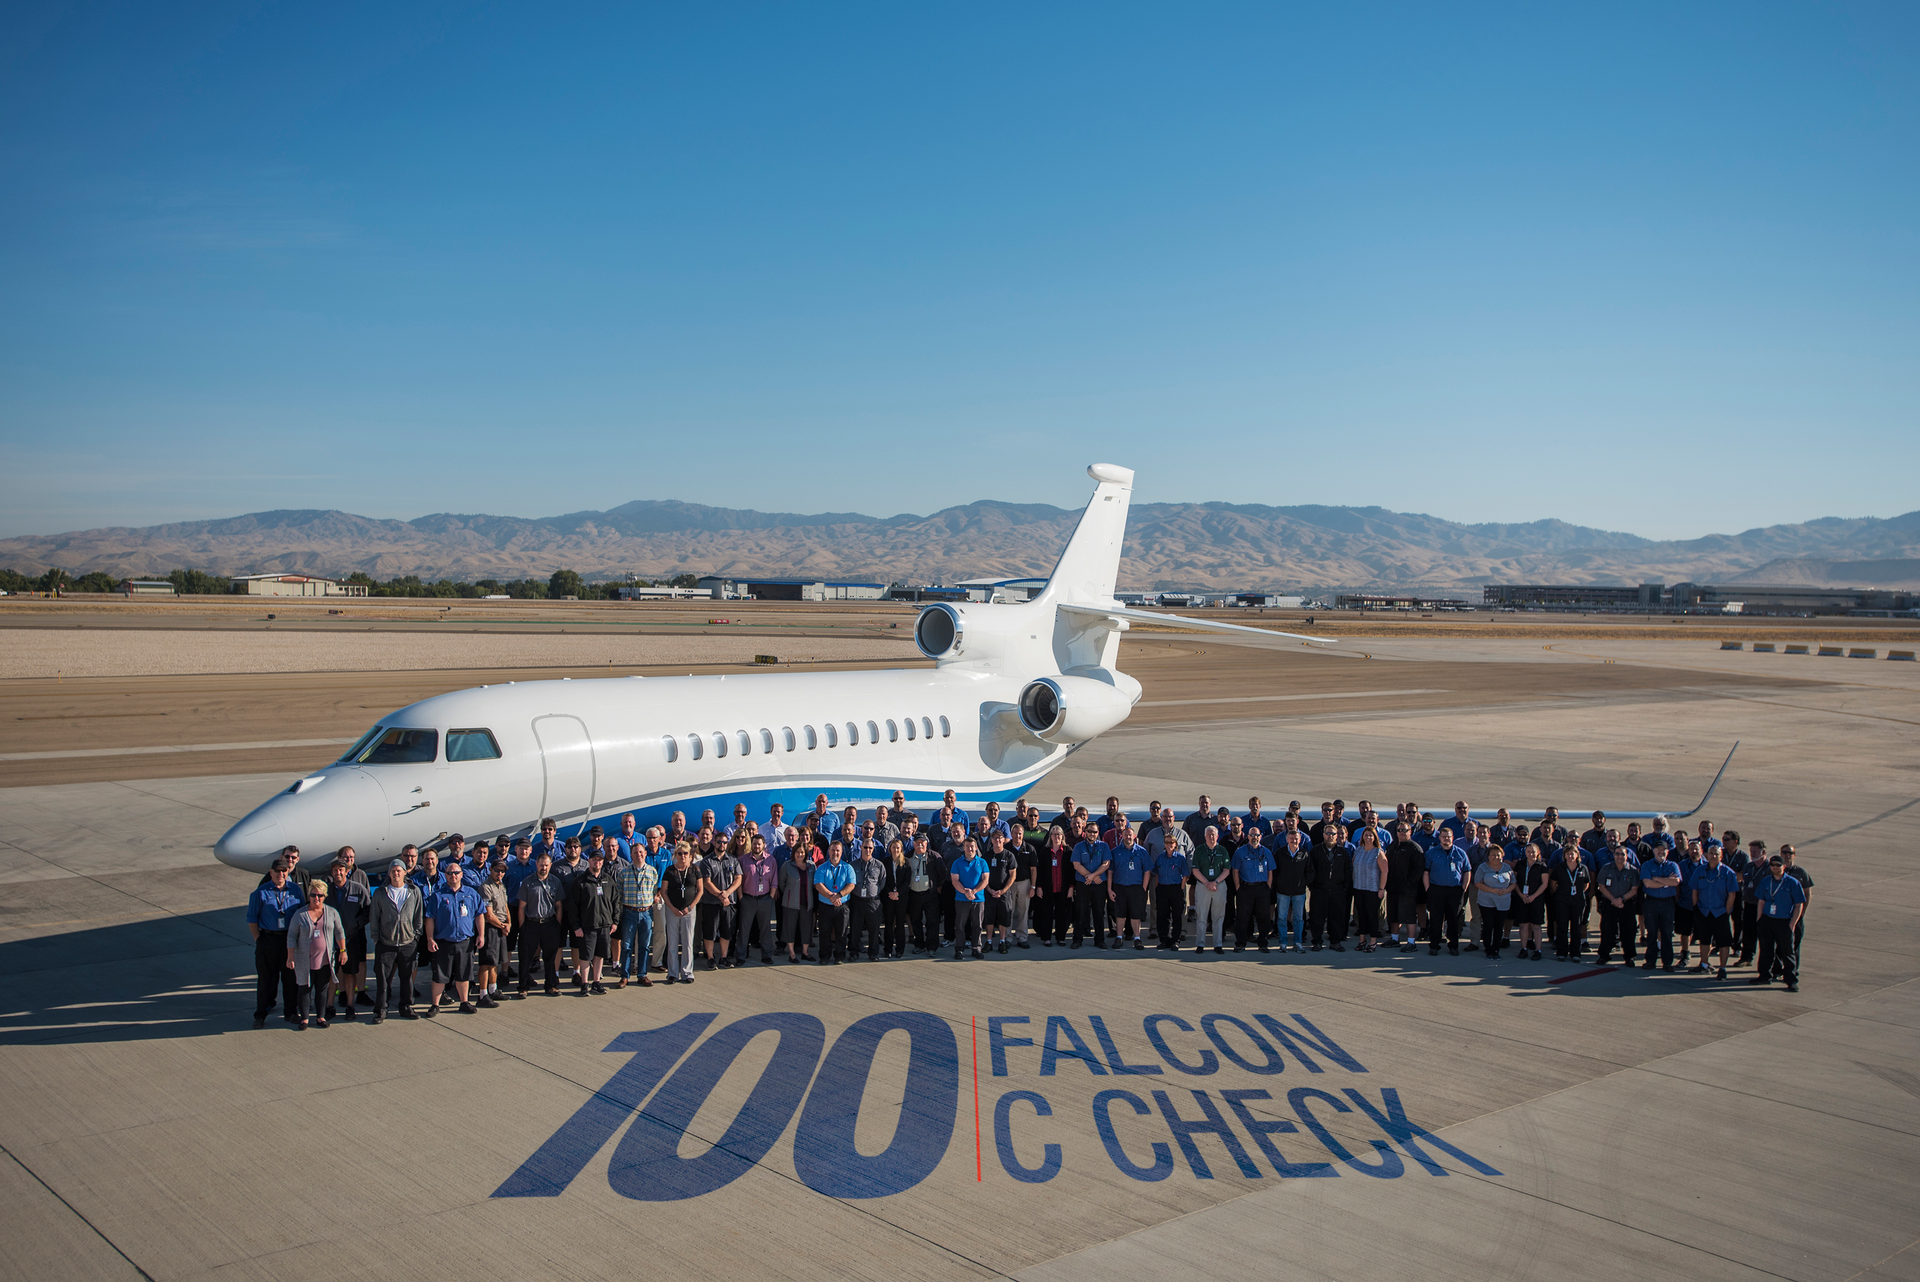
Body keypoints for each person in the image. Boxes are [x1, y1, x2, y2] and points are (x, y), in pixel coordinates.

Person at [247, 857, 304, 1028]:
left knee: (290, 979)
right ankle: (260, 1015)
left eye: (284, 871)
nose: (281, 874)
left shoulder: (295, 890)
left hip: (289, 939)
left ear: (288, 873)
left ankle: (291, 1012)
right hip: (268, 939)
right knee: (266, 979)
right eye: (277, 871)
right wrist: (260, 940)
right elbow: (252, 920)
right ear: (271, 873)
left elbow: (301, 913)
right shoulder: (260, 892)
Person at [285, 880, 348, 1030]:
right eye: (313, 895)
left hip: (325, 960)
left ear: (325, 896)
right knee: (304, 989)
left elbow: (339, 932)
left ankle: (321, 1017)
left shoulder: (332, 912)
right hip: (304, 961)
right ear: (309, 895)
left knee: (322, 988)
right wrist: (290, 957)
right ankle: (305, 1019)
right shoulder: (300, 914)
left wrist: (343, 951)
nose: (316, 898)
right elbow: (291, 936)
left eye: (320, 895)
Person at [424, 862, 484, 1015]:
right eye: (450, 873)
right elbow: (430, 918)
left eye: (456, 873)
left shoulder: (471, 893)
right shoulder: (437, 895)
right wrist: (430, 938)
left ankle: (464, 1002)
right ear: (445, 875)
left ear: (461, 874)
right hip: (444, 942)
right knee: (440, 975)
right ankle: (435, 1005)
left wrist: (481, 935)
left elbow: (479, 915)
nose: (453, 876)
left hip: (465, 941)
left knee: (463, 974)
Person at [369, 858, 423, 1020]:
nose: (396, 873)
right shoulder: (380, 893)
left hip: (408, 943)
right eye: (393, 871)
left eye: (399, 870)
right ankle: (381, 1010)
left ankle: (406, 1006)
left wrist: (416, 936)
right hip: (386, 943)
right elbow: (374, 918)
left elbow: (418, 916)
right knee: (383, 979)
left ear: (405, 872)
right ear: (389, 873)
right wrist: (376, 938)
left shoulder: (413, 891)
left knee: (406, 978)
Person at [320, 858, 370, 1022]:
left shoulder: (358, 889)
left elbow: (368, 911)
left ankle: (350, 1006)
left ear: (347, 871)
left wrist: (356, 924)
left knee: (350, 974)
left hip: (351, 940)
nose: (338, 872)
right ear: (331, 872)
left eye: (341, 869)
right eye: (335, 870)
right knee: (331, 975)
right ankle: (329, 1006)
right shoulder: (326, 891)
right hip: (329, 940)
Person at [568, 847, 620, 995]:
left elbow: (616, 902)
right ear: (589, 861)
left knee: (600, 955)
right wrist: (576, 926)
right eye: (594, 860)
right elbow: (573, 906)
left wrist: (615, 922)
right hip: (587, 926)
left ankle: (596, 982)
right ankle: (584, 984)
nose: (597, 862)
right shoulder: (580, 881)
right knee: (585, 956)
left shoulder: (608, 880)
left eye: (599, 860)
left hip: (604, 926)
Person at [1750, 855, 1805, 992]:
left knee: (1787, 952)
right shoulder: (1766, 881)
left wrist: (1792, 924)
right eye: (1773, 865)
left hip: (1784, 920)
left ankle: (1790, 979)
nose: (1775, 867)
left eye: (1778, 865)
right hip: (1767, 919)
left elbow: (1799, 905)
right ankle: (1764, 975)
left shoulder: (1792, 883)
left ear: (1783, 866)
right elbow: (1761, 902)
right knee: (1766, 949)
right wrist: (1759, 919)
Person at [515, 851, 565, 997]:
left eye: (546, 865)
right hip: (531, 924)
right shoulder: (527, 882)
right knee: (525, 958)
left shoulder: (555, 882)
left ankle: (550, 985)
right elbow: (521, 907)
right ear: (536, 865)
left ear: (550, 866)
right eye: (541, 865)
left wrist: (557, 924)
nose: (544, 868)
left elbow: (559, 906)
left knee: (550, 957)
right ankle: (523, 987)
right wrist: (522, 927)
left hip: (550, 924)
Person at [1690, 844, 1741, 980]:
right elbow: (1695, 890)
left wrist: (1726, 911)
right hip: (1703, 911)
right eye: (1711, 853)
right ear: (1706, 855)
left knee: (1723, 942)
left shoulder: (1728, 873)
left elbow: (1732, 895)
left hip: (1720, 912)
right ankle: (1704, 965)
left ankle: (1722, 968)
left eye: (1716, 854)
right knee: (1704, 940)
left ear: (1721, 856)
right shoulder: (1700, 871)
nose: (1713, 856)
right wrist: (1696, 908)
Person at [660, 843, 704, 982]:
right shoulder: (669, 870)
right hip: (672, 910)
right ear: (675, 855)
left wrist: (690, 907)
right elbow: (663, 891)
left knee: (687, 942)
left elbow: (700, 890)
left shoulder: (695, 870)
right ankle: (672, 973)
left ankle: (687, 972)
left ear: (690, 856)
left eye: (685, 853)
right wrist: (672, 908)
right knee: (672, 942)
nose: (683, 856)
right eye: (680, 853)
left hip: (689, 911)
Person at [1424, 829, 1470, 955]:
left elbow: (1467, 871)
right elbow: (1426, 872)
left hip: (1455, 890)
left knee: (1454, 920)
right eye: (1443, 837)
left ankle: (1453, 945)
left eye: (1448, 837)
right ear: (1439, 838)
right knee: (1436, 919)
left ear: (1452, 837)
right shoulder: (1431, 853)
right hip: (1436, 889)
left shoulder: (1460, 853)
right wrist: (1428, 889)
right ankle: (1434, 945)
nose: (1446, 839)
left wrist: (1463, 888)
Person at [1638, 842, 1683, 971]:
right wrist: (1665, 882)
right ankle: (1650, 960)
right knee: (1651, 932)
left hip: (1667, 903)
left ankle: (1667, 962)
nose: (1661, 852)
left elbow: (1675, 882)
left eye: (1664, 850)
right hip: (1651, 902)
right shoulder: (1647, 865)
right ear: (1653, 850)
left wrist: (1656, 878)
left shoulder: (1673, 865)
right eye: (1658, 849)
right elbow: (1647, 883)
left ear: (1668, 852)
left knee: (1667, 933)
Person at [733, 833, 777, 966]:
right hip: (748, 899)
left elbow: (774, 882)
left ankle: (767, 955)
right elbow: (739, 881)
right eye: (754, 844)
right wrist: (741, 897)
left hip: (765, 899)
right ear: (751, 844)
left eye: (759, 844)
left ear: (764, 845)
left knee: (765, 929)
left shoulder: (771, 860)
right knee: (744, 929)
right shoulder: (743, 860)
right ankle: (741, 955)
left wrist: (770, 898)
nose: (756, 846)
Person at [1594, 845, 1641, 967]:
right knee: (1607, 930)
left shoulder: (1633, 870)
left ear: (1627, 856)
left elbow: (1635, 889)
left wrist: (1622, 899)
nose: (1620, 856)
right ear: (1614, 855)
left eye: (1622, 854)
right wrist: (1613, 900)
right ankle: (1604, 955)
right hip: (1609, 903)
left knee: (1628, 931)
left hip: (1627, 904)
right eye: (1617, 854)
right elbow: (1601, 886)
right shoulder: (1606, 868)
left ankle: (1629, 957)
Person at [1190, 824, 1234, 954]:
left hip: (1218, 885)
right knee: (1201, 915)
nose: (1211, 837)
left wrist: (1215, 882)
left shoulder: (1222, 850)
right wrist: (1207, 883)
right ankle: (1200, 944)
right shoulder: (1199, 850)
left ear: (1217, 836)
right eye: (1209, 834)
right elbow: (1195, 870)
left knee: (1218, 916)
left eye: (1213, 834)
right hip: (1203, 886)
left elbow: (1226, 870)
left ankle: (1218, 944)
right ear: (1205, 836)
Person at [1309, 824, 1353, 952]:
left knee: (1337, 918)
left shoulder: (1342, 852)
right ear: (1323, 834)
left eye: (1333, 834)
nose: (1330, 836)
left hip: (1337, 891)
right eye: (1328, 833)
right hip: (1319, 890)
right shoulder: (1316, 851)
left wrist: (1344, 888)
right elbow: (1310, 870)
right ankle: (1317, 941)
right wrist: (1313, 887)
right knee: (1317, 918)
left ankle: (1335, 942)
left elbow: (1347, 872)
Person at [1107, 824, 1151, 949]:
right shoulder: (1115, 852)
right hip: (1119, 887)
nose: (1128, 837)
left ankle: (1137, 938)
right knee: (1120, 914)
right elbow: (1110, 872)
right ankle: (1119, 937)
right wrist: (1109, 889)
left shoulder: (1142, 852)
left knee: (1136, 915)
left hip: (1136, 887)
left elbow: (1147, 871)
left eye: (1130, 835)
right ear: (1122, 836)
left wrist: (1143, 888)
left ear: (1134, 836)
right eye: (1125, 835)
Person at [1231, 828, 1275, 953]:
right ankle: (1240, 943)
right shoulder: (1240, 852)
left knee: (1263, 917)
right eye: (1252, 835)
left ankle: (1262, 943)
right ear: (1248, 836)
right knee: (1242, 917)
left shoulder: (1266, 852)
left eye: (1257, 835)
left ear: (1260, 836)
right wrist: (1238, 887)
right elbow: (1235, 871)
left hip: (1262, 889)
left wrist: (1268, 887)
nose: (1254, 837)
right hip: (1245, 888)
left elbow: (1270, 871)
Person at [1147, 827, 1190, 950]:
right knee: (1162, 916)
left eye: (1171, 842)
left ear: (1175, 844)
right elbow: (1156, 873)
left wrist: (1181, 889)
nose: (1169, 844)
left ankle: (1175, 940)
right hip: (1162, 889)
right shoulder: (1160, 858)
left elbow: (1185, 874)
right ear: (1164, 844)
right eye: (1166, 842)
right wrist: (1157, 888)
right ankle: (1164, 939)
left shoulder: (1180, 858)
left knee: (1177, 915)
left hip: (1176, 889)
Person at [474, 860, 511, 1006]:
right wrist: (502, 925)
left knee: (496, 962)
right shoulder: (485, 887)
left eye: (502, 871)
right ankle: (482, 994)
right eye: (497, 870)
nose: (500, 873)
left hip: (501, 927)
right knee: (486, 962)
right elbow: (488, 914)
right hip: (490, 928)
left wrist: (509, 923)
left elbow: (505, 906)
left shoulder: (501, 885)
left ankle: (492, 989)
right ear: (490, 869)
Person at [1385, 822, 1425, 951]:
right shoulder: (1393, 846)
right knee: (1393, 915)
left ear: (1410, 832)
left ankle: (1411, 942)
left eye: (1405, 830)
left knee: (1408, 916)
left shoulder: (1414, 848)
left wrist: (1408, 883)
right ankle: (1394, 939)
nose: (1402, 832)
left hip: (1407, 890)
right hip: (1392, 888)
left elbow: (1419, 869)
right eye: (1399, 830)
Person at [813, 842, 856, 964]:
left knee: (841, 933)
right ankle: (824, 956)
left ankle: (839, 956)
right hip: (825, 906)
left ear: (841, 852)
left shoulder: (848, 868)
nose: (835, 853)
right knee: (824, 932)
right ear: (829, 852)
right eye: (833, 850)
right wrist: (831, 896)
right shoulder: (822, 868)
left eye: (837, 850)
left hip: (842, 906)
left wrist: (839, 895)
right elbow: (818, 884)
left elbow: (851, 884)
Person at [1548, 845, 1592, 960]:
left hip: (1577, 901)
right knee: (1562, 926)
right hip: (1562, 900)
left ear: (1577, 855)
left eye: (1572, 853)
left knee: (1576, 927)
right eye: (1568, 854)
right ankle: (1562, 952)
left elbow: (1586, 884)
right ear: (1564, 856)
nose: (1570, 856)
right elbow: (1553, 883)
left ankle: (1575, 953)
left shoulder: (1583, 868)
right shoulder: (1559, 868)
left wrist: (1578, 892)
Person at [1070, 826, 1111, 950]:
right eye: (1089, 831)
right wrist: (1090, 876)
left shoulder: (1104, 846)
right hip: (1083, 884)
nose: (1092, 834)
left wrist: (1093, 876)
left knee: (1099, 912)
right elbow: (1076, 865)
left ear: (1098, 833)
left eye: (1094, 832)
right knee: (1080, 911)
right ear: (1085, 832)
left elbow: (1106, 863)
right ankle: (1077, 939)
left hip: (1098, 884)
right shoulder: (1079, 847)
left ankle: (1099, 940)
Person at [1472, 847, 1514, 960]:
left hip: (1503, 902)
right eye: (1493, 855)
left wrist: (1506, 891)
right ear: (1488, 856)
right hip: (1487, 901)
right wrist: (1492, 890)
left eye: (1498, 855)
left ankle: (1496, 948)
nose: (1496, 857)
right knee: (1488, 925)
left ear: (1502, 855)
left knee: (1499, 926)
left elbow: (1513, 883)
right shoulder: (1483, 867)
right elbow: (1477, 883)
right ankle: (1488, 948)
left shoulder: (1507, 867)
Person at [849, 837, 888, 960]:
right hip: (857, 900)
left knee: (874, 929)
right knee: (855, 928)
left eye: (870, 848)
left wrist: (873, 892)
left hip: (873, 901)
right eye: (865, 847)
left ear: (873, 849)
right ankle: (853, 953)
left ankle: (873, 953)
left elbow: (882, 882)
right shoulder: (853, 865)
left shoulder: (879, 865)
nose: (867, 850)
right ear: (860, 848)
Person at [1351, 827, 1388, 953]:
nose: (1368, 838)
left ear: (1374, 838)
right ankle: (1362, 940)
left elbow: (1384, 871)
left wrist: (1381, 888)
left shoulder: (1378, 852)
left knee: (1372, 916)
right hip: (1359, 887)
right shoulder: (1358, 851)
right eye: (1366, 835)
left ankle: (1373, 941)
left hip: (1373, 889)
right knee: (1361, 915)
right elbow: (1354, 868)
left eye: (1370, 835)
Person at [1779, 844, 1812, 971]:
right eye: (1785, 852)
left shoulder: (1800, 872)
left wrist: (1801, 913)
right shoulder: (1776, 870)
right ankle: (1777, 968)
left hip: (1795, 914)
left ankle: (1792, 970)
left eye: (1790, 853)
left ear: (1794, 856)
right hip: (1779, 915)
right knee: (1778, 945)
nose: (1787, 855)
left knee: (1794, 944)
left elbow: (1807, 894)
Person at [983, 832, 1017, 953]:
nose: (997, 840)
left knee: (1004, 917)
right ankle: (989, 941)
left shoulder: (1009, 855)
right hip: (989, 891)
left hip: (1004, 893)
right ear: (991, 840)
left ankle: (1002, 941)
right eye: (995, 838)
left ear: (1003, 840)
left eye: (1000, 838)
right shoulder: (986, 856)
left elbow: (1012, 875)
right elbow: (983, 875)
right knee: (989, 918)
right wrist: (988, 889)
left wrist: (1003, 891)